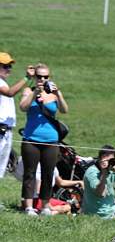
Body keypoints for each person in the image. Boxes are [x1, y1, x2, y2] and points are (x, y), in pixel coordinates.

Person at [19, 63, 69, 217]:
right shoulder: (28, 90)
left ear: (49, 77)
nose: (42, 79)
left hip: (51, 140)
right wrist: (35, 94)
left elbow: (64, 110)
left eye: (45, 76)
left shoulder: (53, 94)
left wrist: (58, 94)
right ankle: (29, 206)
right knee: (30, 174)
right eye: (39, 76)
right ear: (34, 77)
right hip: (31, 139)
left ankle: (45, 205)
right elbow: (23, 107)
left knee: (48, 173)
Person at [0, 53, 29, 179]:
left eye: (10, 66)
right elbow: (10, 93)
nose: (9, 69)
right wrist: (27, 78)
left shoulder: (3, 82)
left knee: (1, 169)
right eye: (5, 66)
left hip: (6, 130)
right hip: (1, 129)